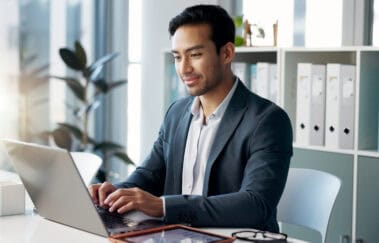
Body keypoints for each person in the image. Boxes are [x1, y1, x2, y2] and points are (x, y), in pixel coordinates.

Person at [89, 4, 292, 233]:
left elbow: (255, 205)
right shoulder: (176, 113)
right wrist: (111, 194)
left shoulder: (268, 121)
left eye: (195, 55)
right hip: (179, 235)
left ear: (226, 53)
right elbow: (148, 176)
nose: (184, 68)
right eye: (177, 57)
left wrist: (164, 206)